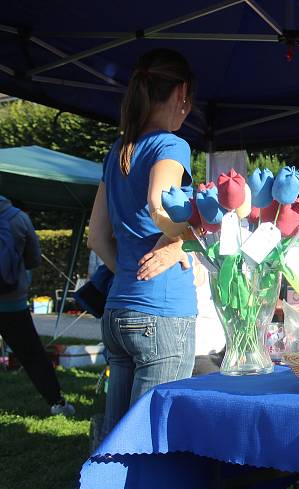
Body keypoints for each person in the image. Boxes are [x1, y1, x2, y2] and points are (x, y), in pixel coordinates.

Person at [88, 48, 197, 438]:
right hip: (162, 313)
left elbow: (96, 237)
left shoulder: (118, 151)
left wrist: (131, 272)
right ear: (181, 93)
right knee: (149, 442)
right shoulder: (171, 145)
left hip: (118, 310)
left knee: (118, 439)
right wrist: (186, 240)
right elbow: (158, 203)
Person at [0, 195, 75, 416]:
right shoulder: (18, 218)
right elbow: (34, 259)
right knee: (32, 355)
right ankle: (57, 403)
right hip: (12, 302)